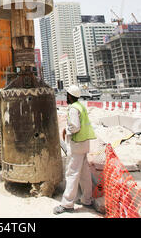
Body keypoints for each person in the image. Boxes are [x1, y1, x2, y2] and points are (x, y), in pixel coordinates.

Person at [53, 85, 96, 215]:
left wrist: (67, 130)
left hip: (76, 145)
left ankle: (67, 204)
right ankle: (87, 200)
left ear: (70, 96)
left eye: (67, 95)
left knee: (71, 174)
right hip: (84, 144)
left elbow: (75, 127)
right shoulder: (81, 106)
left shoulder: (73, 108)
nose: (66, 97)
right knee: (84, 174)